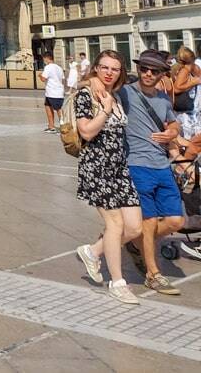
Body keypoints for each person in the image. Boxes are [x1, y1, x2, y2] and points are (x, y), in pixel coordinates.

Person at [73, 50, 145, 305]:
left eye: (114, 69)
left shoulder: (116, 94)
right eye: (104, 67)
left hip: (119, 169)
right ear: (96, 67)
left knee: (135, 226)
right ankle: (118, 283)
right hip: (97, 168)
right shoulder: (86, 95)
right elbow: (87, 132)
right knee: (115, 225)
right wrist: (104, 110)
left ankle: (92, 252)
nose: (108, 72)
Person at [118, 50, 184, 296]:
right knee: (148, 221)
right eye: (144, 68)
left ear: (161, 74)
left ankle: (128, 239)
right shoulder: (125, 92)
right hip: (137, 164)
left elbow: (173, 121)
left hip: (162, 165)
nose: (147, 74)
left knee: (176, 221)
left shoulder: (164, 99)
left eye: (154, 71)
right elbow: (95, 84)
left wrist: (173, 132)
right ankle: (153, 274)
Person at [39, 52, 65, 133]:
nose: (44, 60)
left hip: (53, 92)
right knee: (48, 107)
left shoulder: (48, 67)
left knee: (58, 109)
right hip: (53, 92)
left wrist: (40, 75)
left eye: (44, 59)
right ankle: (51, 126)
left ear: (47, 58)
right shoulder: (59, 68)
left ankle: (64, 127)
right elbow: (62, 78)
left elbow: (43, 79)